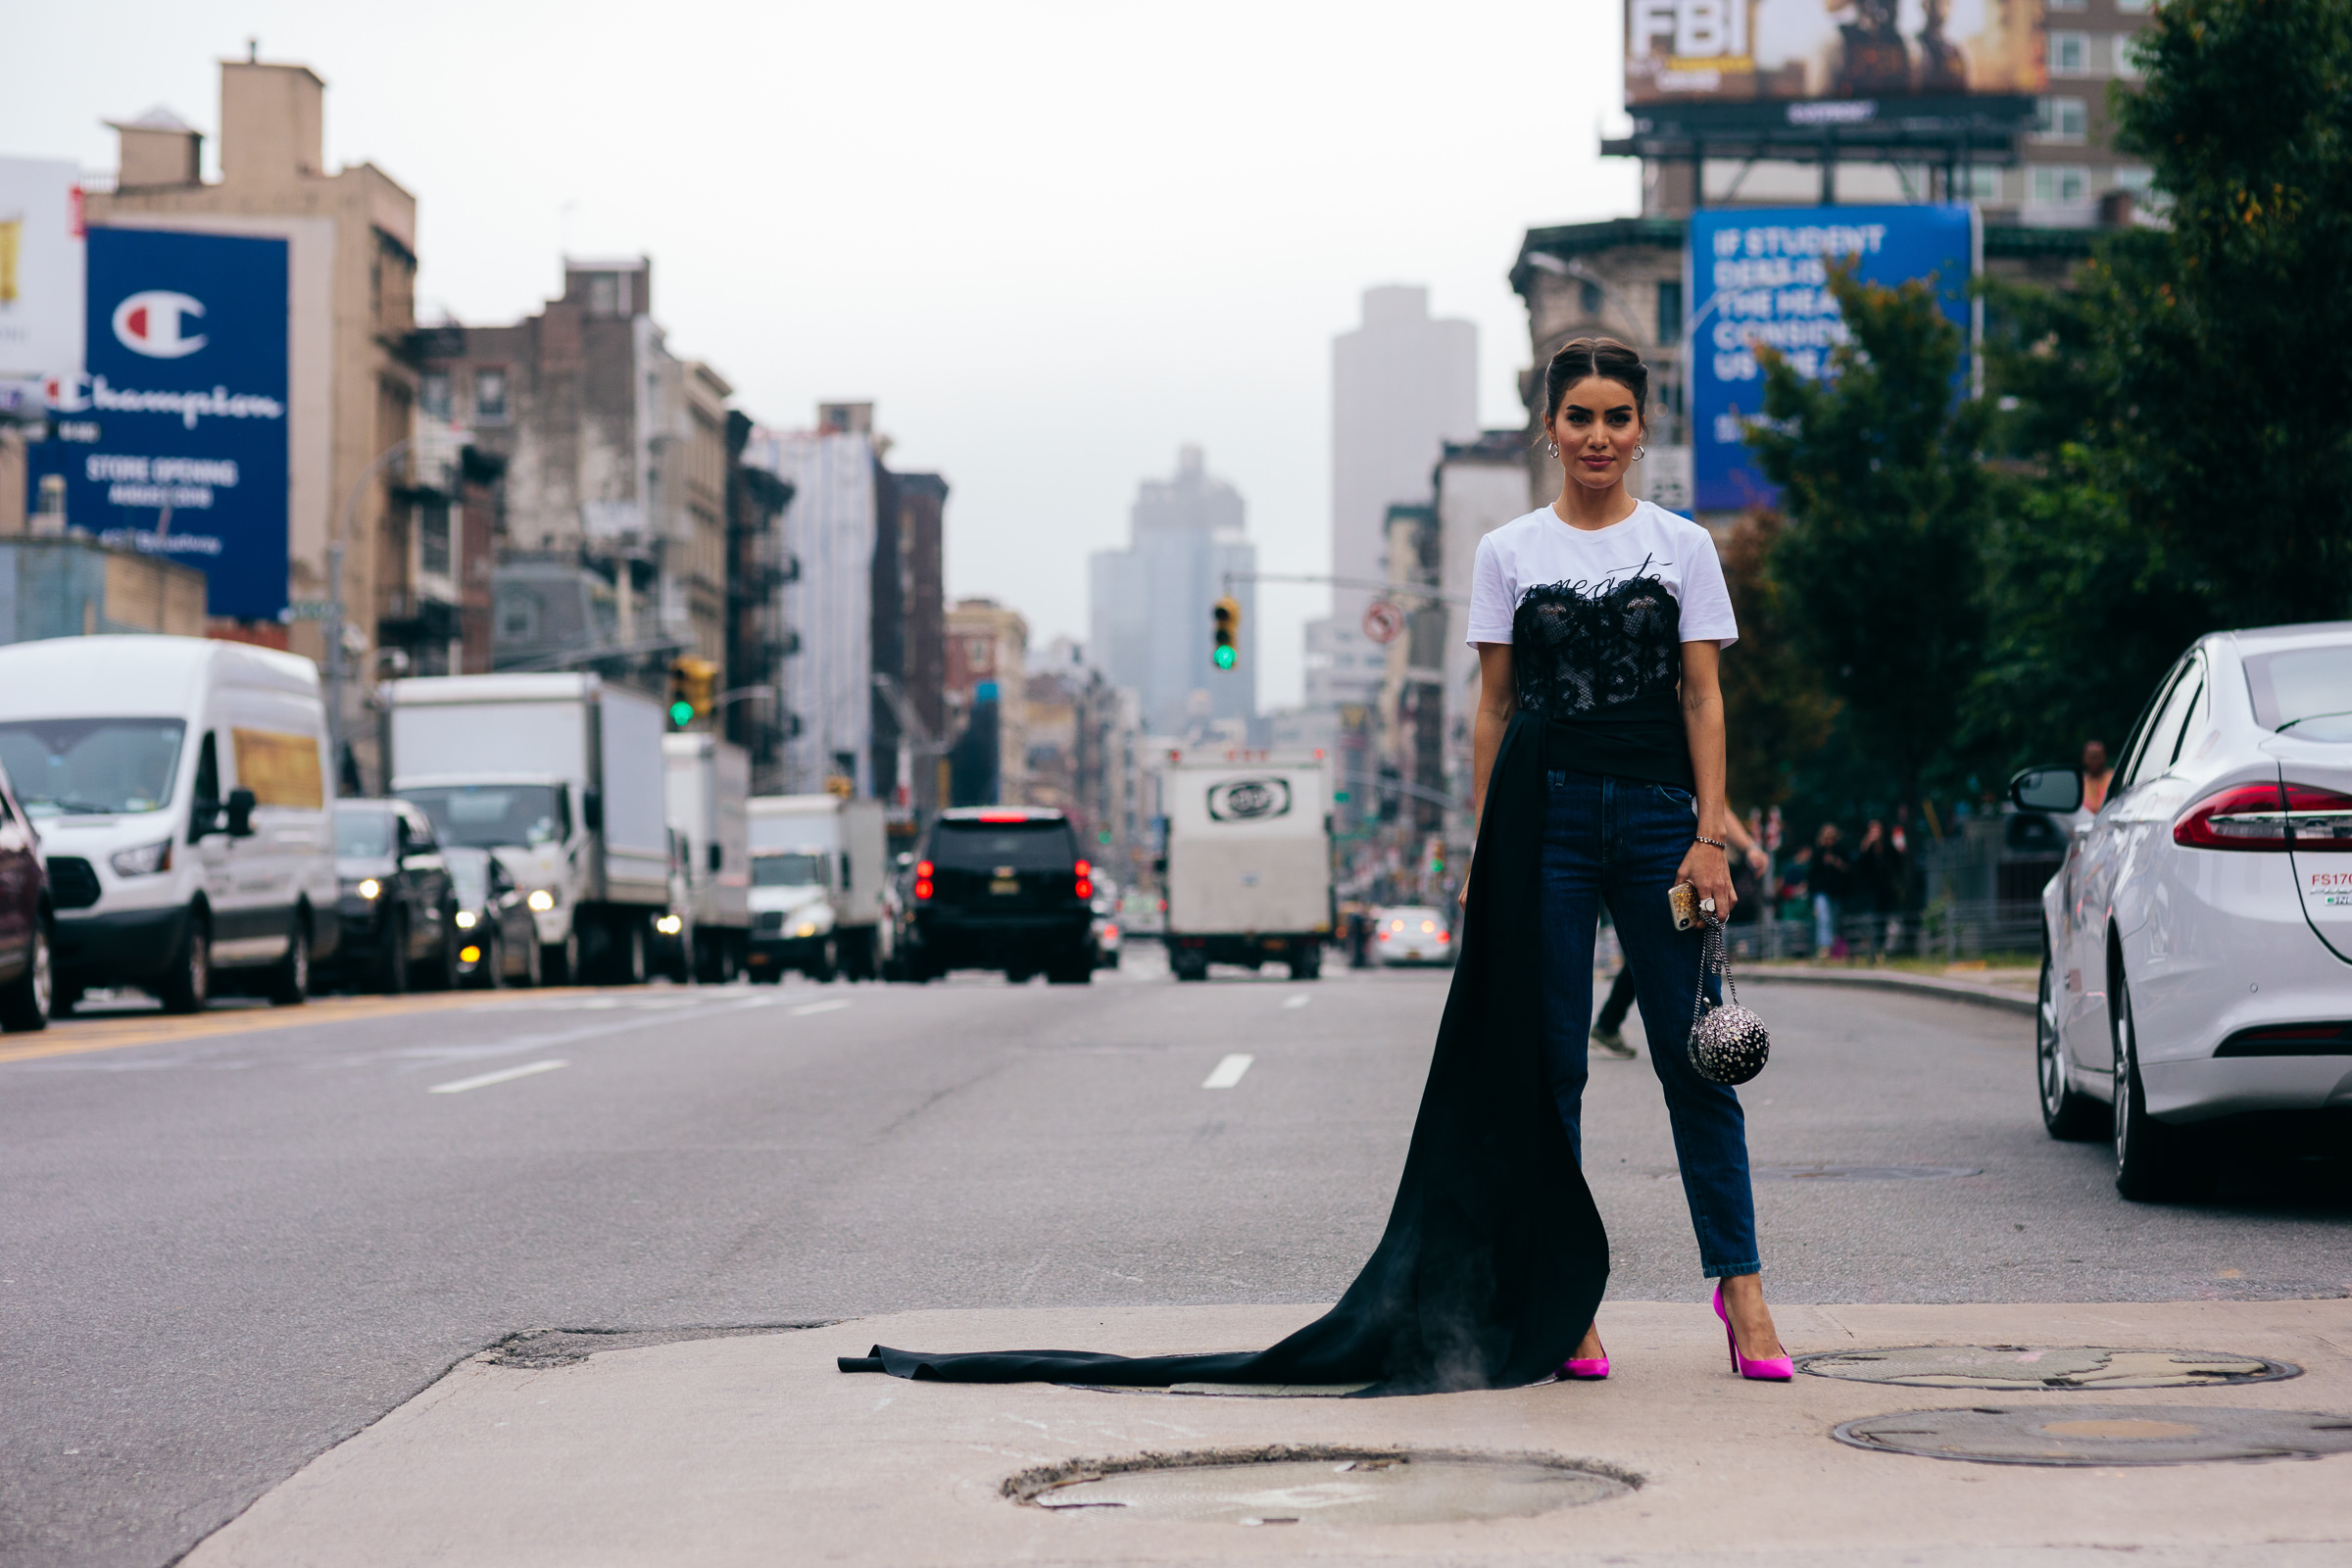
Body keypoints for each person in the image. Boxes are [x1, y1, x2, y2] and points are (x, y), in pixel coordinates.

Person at [834, 336, 1787, 1396]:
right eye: (1581, 418)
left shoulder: (1683, 545)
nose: (1600, 436)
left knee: (1693, 1062)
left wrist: (1710, 831)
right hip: (1544, 821)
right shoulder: (1509, 551)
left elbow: (1703, 696)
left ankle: (1741, 1288)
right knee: (1543, 1073)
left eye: (1618, 417)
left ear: (1643, 429)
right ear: (1550, 430)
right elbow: (1491, 709)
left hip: (1662, 819)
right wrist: (1485, 850)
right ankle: (1566, 1302)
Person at [1591, 811, 1770, 1057]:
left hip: (1673, 854)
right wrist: (1749, 847)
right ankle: (1698, 1037)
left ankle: (1610, 1022)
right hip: (1679, 859)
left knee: (1650, 948)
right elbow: (1720, 811)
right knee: (1668, 948)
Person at [1810, 822, 1851, 956]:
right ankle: (1824, 947)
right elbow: (1811, 873)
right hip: (1821, 890)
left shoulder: (1841, 851)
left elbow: (1849, 869)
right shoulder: (1817, 852)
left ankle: (1834, 948)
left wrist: (1837, 864)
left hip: (1836, 890)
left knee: (1834, 919)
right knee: (1823, 918)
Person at [2080, 739, 2114, 815]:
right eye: (2091, 757)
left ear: (2104, 757)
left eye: (2097, 757)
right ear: (2084, 758)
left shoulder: (2114, 778)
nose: (2094, 761)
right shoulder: (2079, 782)